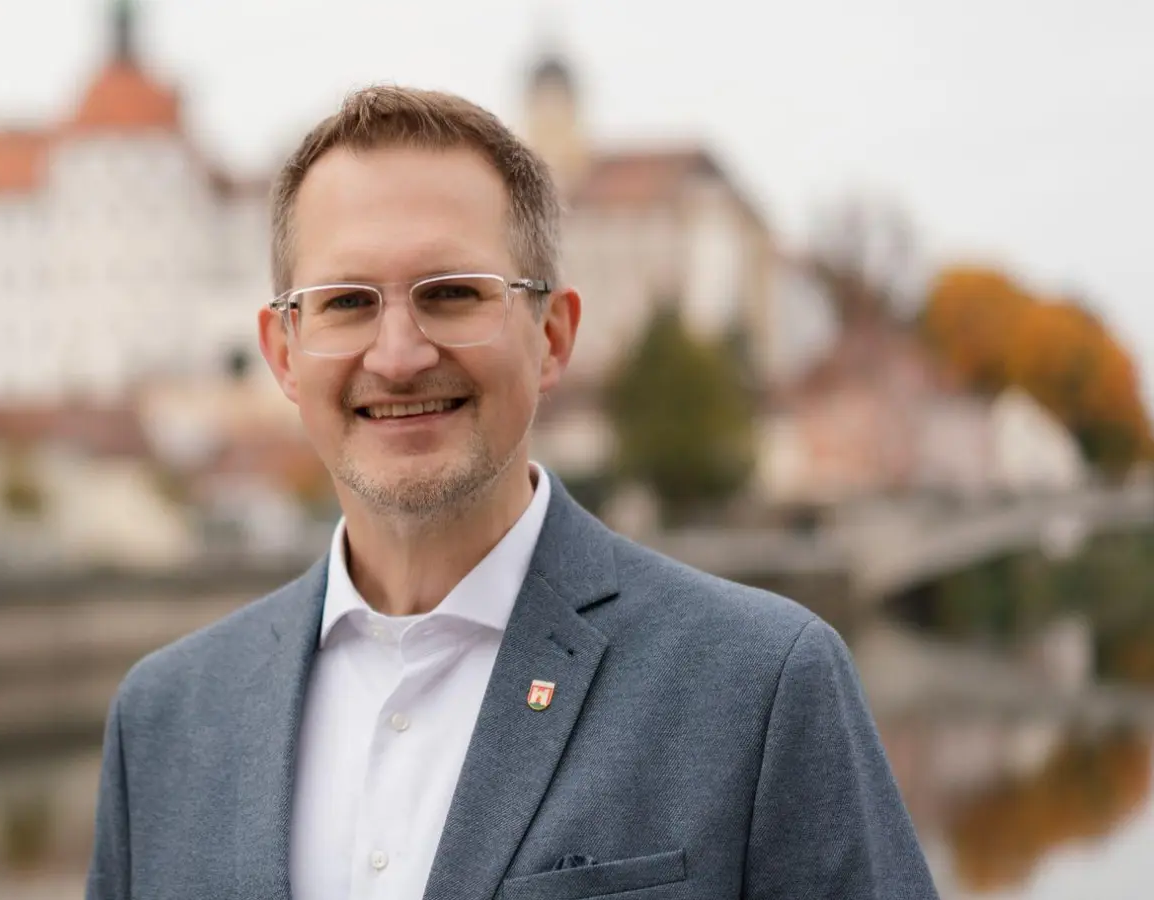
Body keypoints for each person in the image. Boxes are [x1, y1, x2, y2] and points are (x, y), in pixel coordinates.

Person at [85, 85, 938, 900]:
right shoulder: (163, 720)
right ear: (281, 352)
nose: (398, 353)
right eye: (346, 302)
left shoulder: (762, 686)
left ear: (554, 337)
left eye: (452, 294)